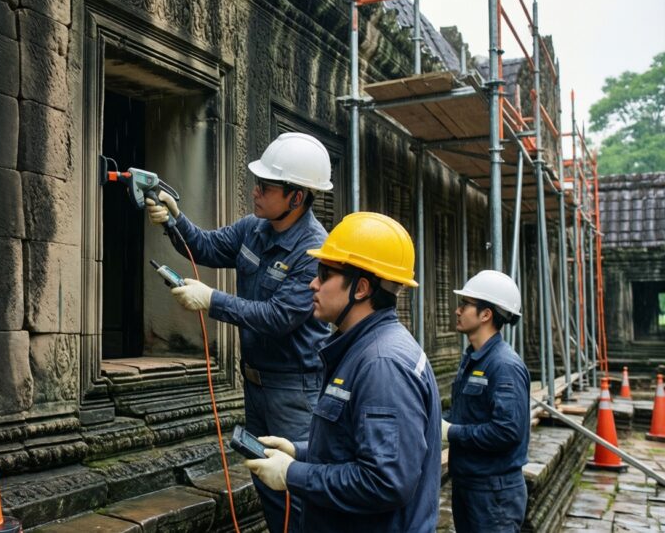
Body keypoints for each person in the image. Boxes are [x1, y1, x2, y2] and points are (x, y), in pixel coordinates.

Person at [146, 132, 332, 533]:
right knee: (265, 479)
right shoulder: (255, 228)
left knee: (295, 487)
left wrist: (212, 300)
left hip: (294, 391)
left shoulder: (315, 250)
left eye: (266, 186)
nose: (256, 191)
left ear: (296, 197)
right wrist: (175, 220)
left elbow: (278, 317)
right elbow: (207, 247)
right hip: (258, 385)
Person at [244, 212, 441, 532]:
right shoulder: (365, 349)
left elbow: (384, 481)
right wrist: (300, 452)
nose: (313, 283)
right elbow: (352, 443)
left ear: (361, 288)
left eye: (325, 274)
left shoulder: (382, 364)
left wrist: (292, 474)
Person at [444, 270, 530, 532]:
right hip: (469, 485)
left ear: (485, 314)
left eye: (465, 304)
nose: (458, 311)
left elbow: (506, 431)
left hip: (494, 494)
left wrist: (451, 432)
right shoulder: (474, 358)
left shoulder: (503, 365)